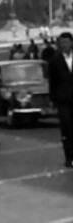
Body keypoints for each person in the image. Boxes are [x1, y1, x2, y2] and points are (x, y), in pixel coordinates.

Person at [47, 32, 73, 168]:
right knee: (67, 128)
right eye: (61, 43)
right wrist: (52, 99)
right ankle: (69, 157)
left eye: (66, 42)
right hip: (63, 100)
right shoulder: (55, 61)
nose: (64, 45)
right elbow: (52, 82)